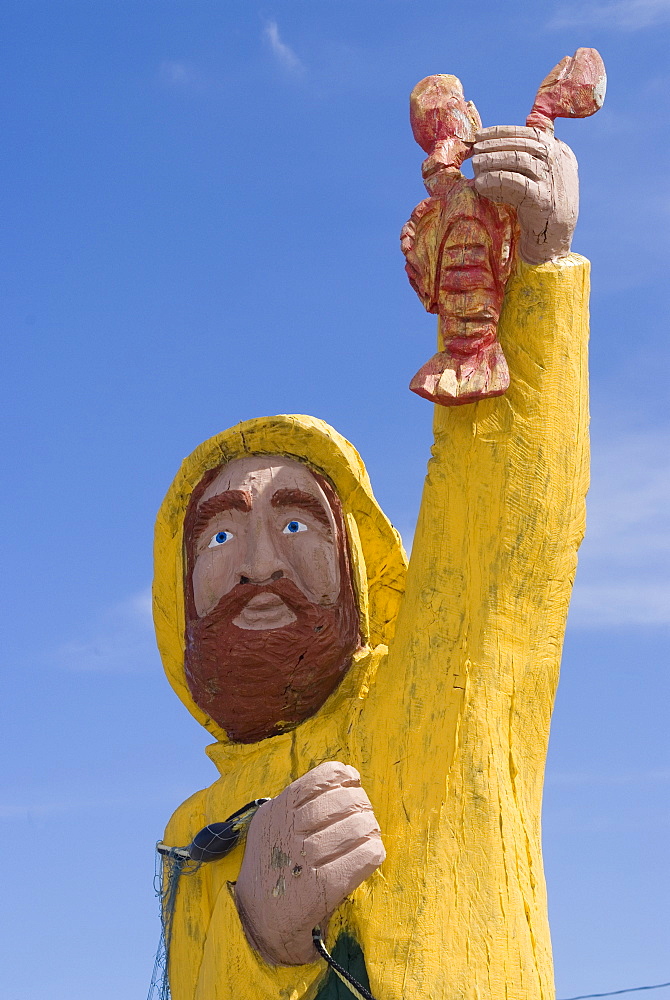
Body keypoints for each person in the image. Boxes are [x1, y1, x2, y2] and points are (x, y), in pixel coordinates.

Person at [153, 124, 590, 999]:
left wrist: (534, 275)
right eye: (223, 535)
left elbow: (501, 531)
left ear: (358, 561)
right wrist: (257, 935)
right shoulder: (194, 832)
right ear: (179, 596)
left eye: (300, 524)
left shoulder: (439, 689)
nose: (258, 564)